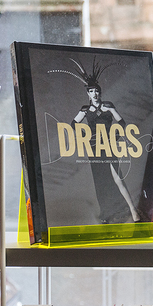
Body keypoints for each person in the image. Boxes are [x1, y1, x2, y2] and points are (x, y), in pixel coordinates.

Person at [54, 56, 142, 224]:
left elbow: (122, 122)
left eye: (96, 91)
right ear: (88, 93)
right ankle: (106, 215)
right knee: (101, 180)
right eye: (91, 91)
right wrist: (84, 135)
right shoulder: (85, 110)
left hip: (109, 145)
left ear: (100, 92)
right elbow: (73, 124)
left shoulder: (108, 106)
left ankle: (132, 209)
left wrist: (117, 135)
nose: (95, 94)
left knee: (118, 178)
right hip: (94, 147)